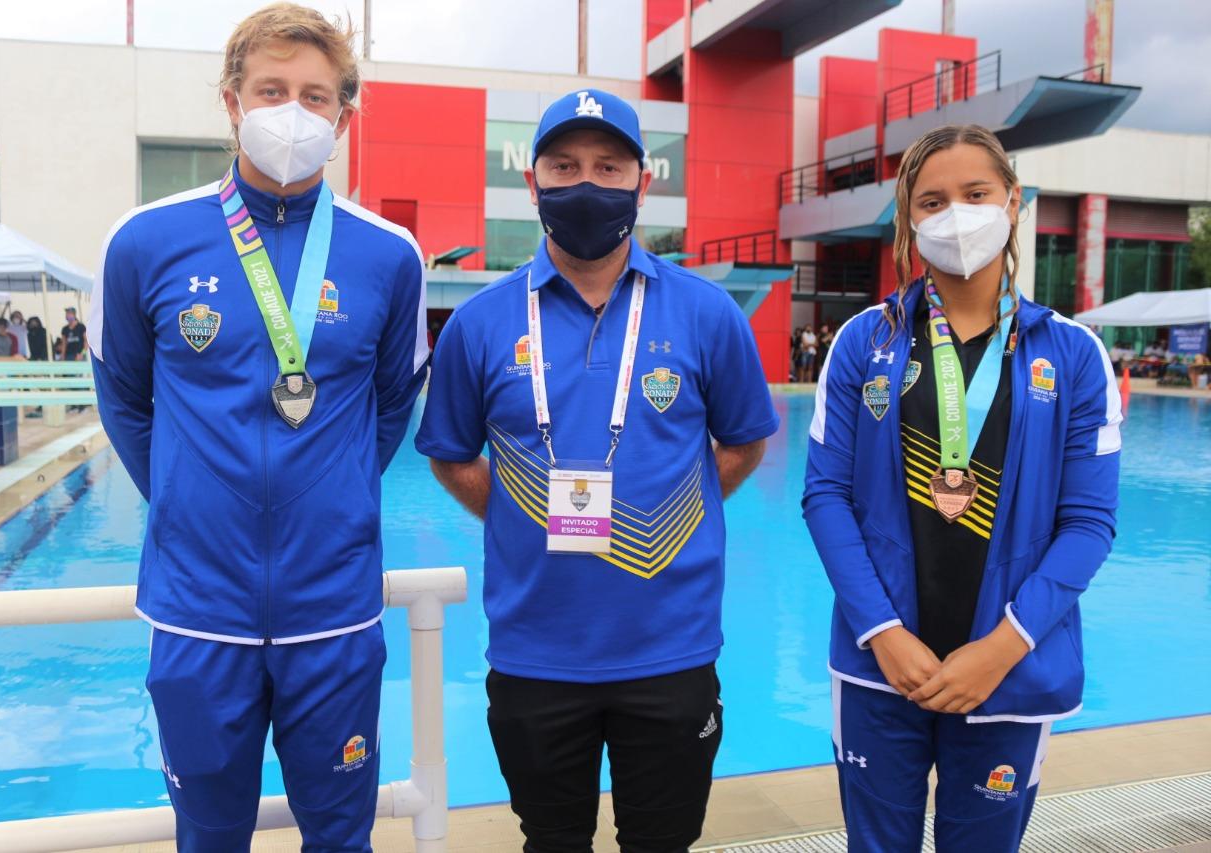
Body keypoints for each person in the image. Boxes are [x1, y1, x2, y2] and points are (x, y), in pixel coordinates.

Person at [88, 5, 427, 850]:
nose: (292, 111)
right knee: (207, 837)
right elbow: (125, 399)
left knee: (343, 837)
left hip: (333, 614)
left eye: (316, 96)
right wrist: (186, 497)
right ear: (232, 102)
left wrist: (331, 494)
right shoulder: (144, 242)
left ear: (344, 117)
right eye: (271, 89)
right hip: (199, 612)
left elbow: (390, 407)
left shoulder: (389, 256)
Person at [415, 88, 778, 852]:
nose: (587, 182)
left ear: (643, 183)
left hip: (670, 649)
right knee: (551, 841)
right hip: (534, 653)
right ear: (534, 180)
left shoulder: (707, 313)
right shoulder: (480, 322)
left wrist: (675, 514)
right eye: (566, 164)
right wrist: (526, 515)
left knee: (663, 841)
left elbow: (743, 444)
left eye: (609, 166)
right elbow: (450, 454)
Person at [803, 124, 1121, 853]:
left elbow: (1090, 523)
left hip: (1009, 668)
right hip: (883, 666)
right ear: (910, 223)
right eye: (933, 201)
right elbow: (825, 495)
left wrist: (1002, 646)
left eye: (975, 194)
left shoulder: (1072, 355)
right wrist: (882, 632)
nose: (956, 215)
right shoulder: (864, 342)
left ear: (1013, 202)